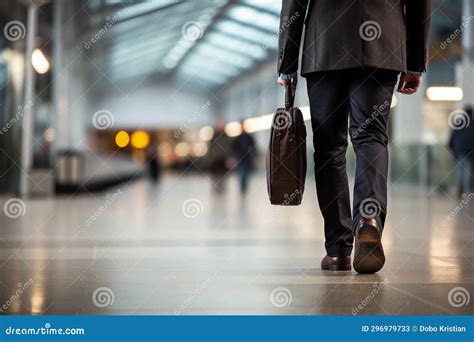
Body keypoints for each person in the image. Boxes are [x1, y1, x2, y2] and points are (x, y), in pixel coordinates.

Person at [277, 1, 431, 273]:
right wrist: (415, 60)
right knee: (371, 137)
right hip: (382, 42)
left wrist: (286, 63)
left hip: (325, 44)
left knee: (329, 148)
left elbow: (294, 3)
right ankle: (368, 217)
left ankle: (338, 251)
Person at [449, 106, 474, 198]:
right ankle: (471, 190)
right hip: (471, 149)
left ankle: (460, 190)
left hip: (460, 149)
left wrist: (451, 146)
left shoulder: (459, 122)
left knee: (461, 170)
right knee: (472, 171)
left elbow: (453, 135)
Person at [206, 118, 233, 194]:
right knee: (215, 176)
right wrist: (209, 158)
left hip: (223, 159)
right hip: (215, 160)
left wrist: (229, 158)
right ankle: (216, 189)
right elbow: (210, 148)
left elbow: (229, 148)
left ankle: (221, 189)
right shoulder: (213, 136)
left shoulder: (226, 136)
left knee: (223, 175)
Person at [232, 122, 258, 195]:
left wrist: (255, 156)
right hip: (239, 159)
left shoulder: (249, 137)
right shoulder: (237, 138)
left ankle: (244, 188)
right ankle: (242, 188)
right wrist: (233, 158)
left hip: (247, 159)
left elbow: (253, 147)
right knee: (241, 174)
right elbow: (233, 149)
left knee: (246, 175)